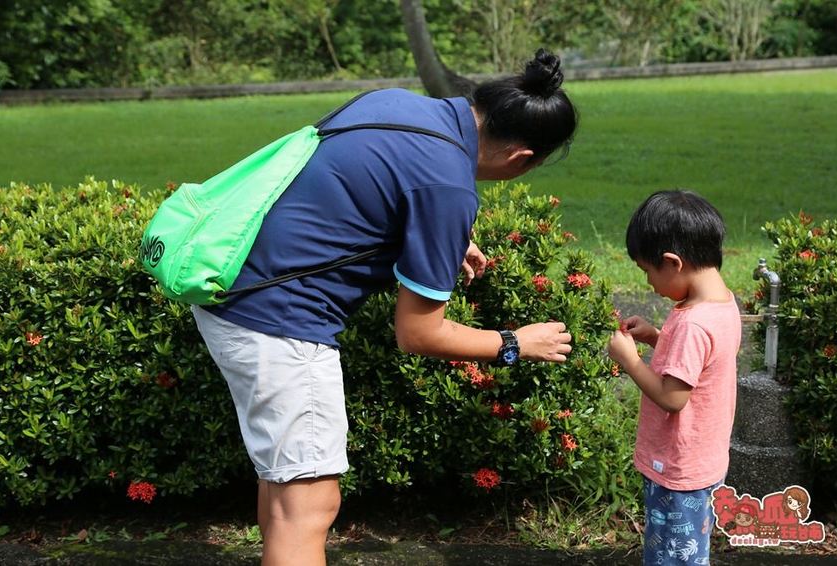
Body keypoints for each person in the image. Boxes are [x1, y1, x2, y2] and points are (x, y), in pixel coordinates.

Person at [192, 48, 578, 566]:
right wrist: (514, 343)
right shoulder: (447, 186)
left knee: (287, 495)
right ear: (521, 159)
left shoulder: (395, 104)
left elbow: (352, 186)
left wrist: (433, 236)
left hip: (232, 286)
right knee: (309, 506)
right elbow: (419, 334)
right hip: (280, 321)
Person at [607, 190, 741, 566]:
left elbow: (672, 397)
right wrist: (656, 337)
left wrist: (632, 361)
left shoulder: (693, 323)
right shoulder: (722, 303)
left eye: (647, 272)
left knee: (672, 557)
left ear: (673, 262)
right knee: (689, 551)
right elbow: (701, 364)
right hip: (704, 461)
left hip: (678, 470)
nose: (650, 283)